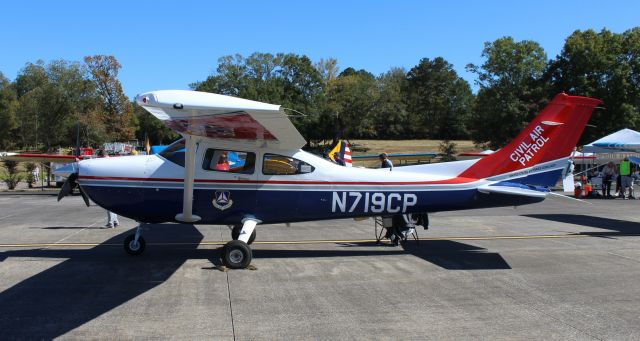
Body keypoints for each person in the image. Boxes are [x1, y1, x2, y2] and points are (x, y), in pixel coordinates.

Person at [101, 150, 120, 228]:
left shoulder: (104, 161)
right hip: (115, 186)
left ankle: (110, 223)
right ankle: (115, 221)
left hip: (109, 186)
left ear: (101, 156)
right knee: (113, 205)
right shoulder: (112, 160)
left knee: (109, 205)